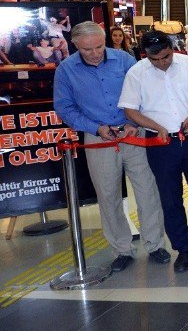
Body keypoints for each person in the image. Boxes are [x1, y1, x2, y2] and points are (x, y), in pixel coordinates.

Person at [53, 21, 169, 273]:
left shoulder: (124, 60)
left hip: (133, 132)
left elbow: (143, 92)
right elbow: (65, 108)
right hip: (98, 138)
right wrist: (96, 128)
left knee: (148, 190)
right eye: (87, 50)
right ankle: (121, 249)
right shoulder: (66, 70)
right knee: (108, 196)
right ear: (75, 46)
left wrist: (131, 121)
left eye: (99, 46)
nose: (95, 53)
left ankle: (155, 244)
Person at [119, 30, 188, 272]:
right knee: (170, 197)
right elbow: (130, 111)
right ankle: (183, 249)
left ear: (171, 48)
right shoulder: (137, 73)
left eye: (165, 57)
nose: (161, 63)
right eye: (154, 59)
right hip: (161, 144)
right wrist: (156, 127)